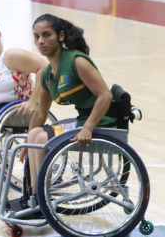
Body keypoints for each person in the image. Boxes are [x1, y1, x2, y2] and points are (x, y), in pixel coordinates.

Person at [26, 14, 115, 201]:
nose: (40, 41)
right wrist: (26, 141)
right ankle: (35, 197)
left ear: (60, 36)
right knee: (35, 135)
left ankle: (43, 199)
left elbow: (105, 95)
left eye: (46, 35)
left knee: (42, 138)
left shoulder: (76, 61)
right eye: (36, 36)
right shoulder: (48, 73)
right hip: (82, 119)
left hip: (102, 119)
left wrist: (88, 128)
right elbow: (41, 112)